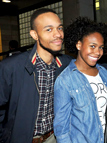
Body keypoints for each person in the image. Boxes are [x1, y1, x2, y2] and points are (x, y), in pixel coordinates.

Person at [0, 8, 72, 143]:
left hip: (54, 137)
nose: (58, 34)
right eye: (49, 29)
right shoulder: (11, 67)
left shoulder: (65, 63)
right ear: (34, 35)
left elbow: (92, 65)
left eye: (60, 28)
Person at [53, 17, 107, 143]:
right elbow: (61, 129)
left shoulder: (104, 73)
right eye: (92, 46)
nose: (97, 52)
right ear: (79, 44)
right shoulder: (65, 80)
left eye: (101, 47)